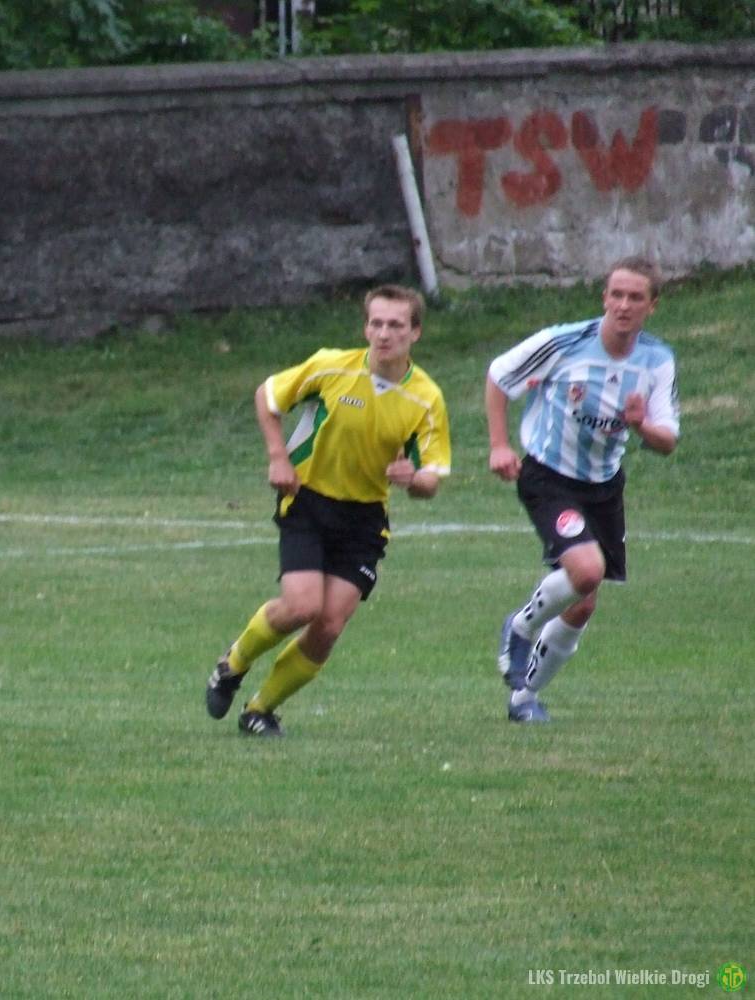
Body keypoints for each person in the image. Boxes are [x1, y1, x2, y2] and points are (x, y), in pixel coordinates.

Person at [205, 285, 452, 736]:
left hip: (364, 519)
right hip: (308, 501)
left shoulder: (426, 398)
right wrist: (278, 457)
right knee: (301, 606)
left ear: (415, 332)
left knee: (329, 625)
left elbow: (431, 480)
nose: (384, 333)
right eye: (376, 323)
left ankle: (260, 710)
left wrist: (412, 479)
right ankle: (232, 664)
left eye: (395, 325)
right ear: (365, 328)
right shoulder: (331, 366)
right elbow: (268, 396)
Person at [488, 255, 679, 723]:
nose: (624, 305)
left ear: (652, 305)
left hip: (604, 486)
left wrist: (641, 425)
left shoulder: (657, 361)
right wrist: (499, 445)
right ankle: (520, 627)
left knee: (583, 603)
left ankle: (523, 699)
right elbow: (499, 376)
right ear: (604, 298)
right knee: (587, 571)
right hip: (548, 476)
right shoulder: (564, 342)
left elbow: (667, 440)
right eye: (617, 295)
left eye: (635, 297)